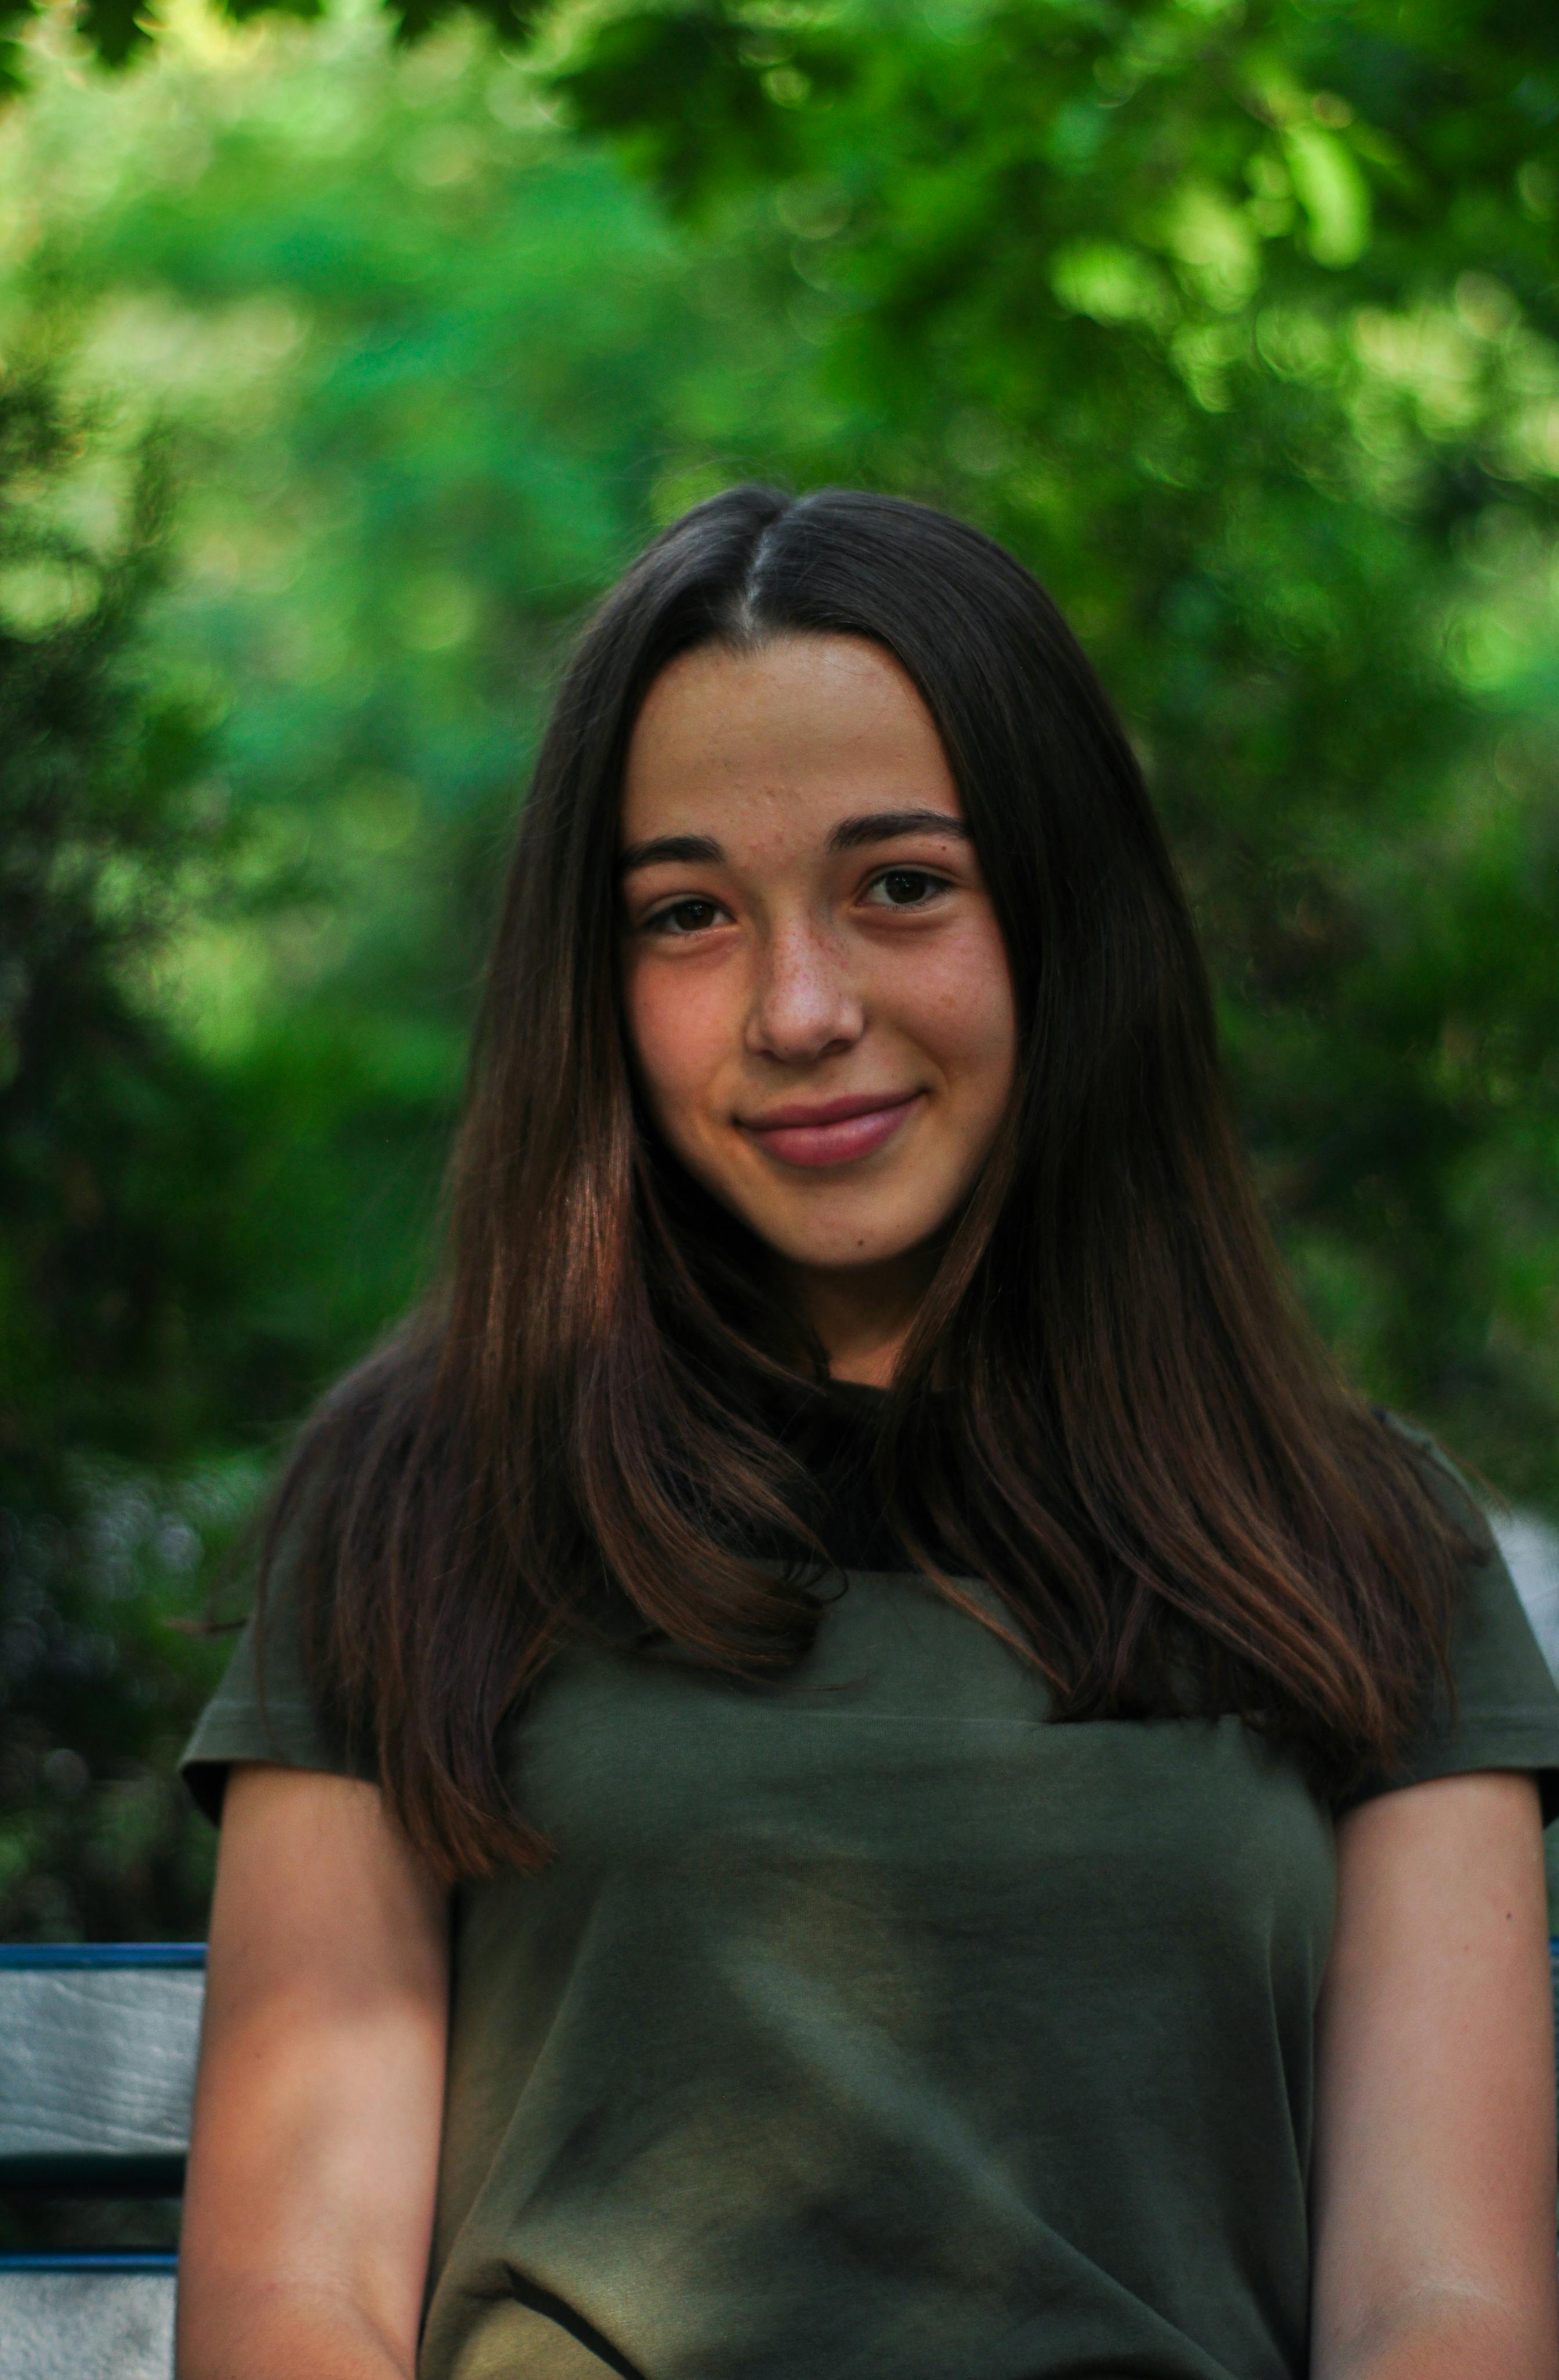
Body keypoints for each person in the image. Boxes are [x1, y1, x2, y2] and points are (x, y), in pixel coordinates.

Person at [174, 487, 1559, 2380]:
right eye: (686, 916)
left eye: (901, 885)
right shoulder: (421, 1503)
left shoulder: (1361, 1538)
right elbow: (293, 2298)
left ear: (1065, 914)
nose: (799, 1009)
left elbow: (1445, 2307)